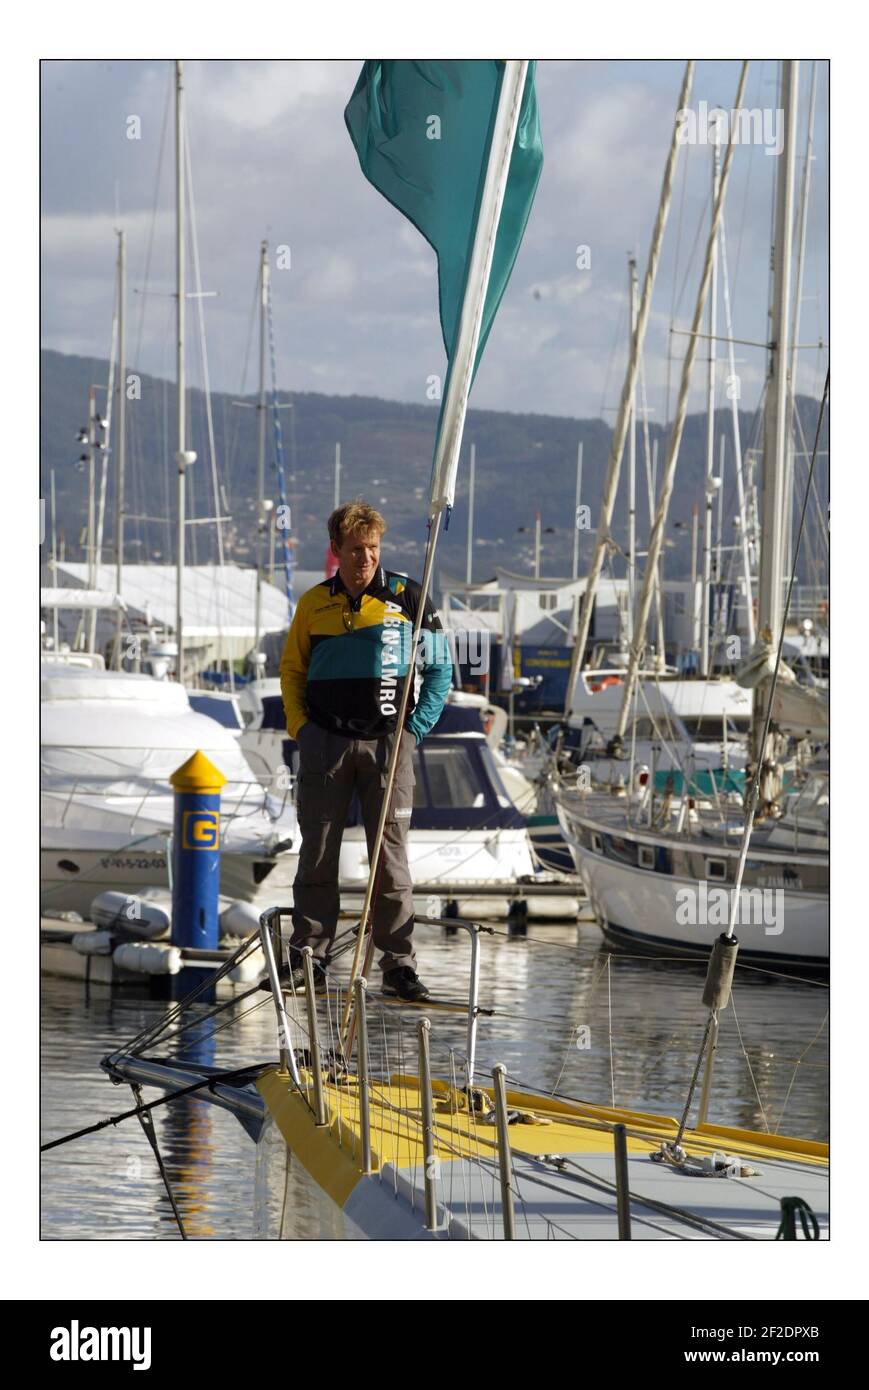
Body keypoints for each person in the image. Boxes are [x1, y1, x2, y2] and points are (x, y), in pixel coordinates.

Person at [276, 501, 452, 1001]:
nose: (365, 559)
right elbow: (292, 671)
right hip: (324, 744)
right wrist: (301, 729)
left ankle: (398, 965)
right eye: (355, 550)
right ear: (336, 551)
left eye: (373, 548)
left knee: (390, 860)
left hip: (388, 746)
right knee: (317, 854)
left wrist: (412, 730)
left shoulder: (407, 598)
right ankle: (309, 957)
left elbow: (440, 671)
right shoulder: (314, 603)